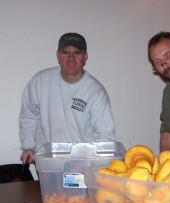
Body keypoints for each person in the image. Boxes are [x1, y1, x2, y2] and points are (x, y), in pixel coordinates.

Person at [19, 32, 115, 164]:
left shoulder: (96, 92)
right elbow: (28, 116)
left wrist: (90, 164)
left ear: (85, 57)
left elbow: (104, 136)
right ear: (58, 55)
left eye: (77, 53)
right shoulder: (40, 81)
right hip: (47, 164)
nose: (71, 58)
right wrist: (28, 146)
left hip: (81, 165)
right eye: (66, 52)